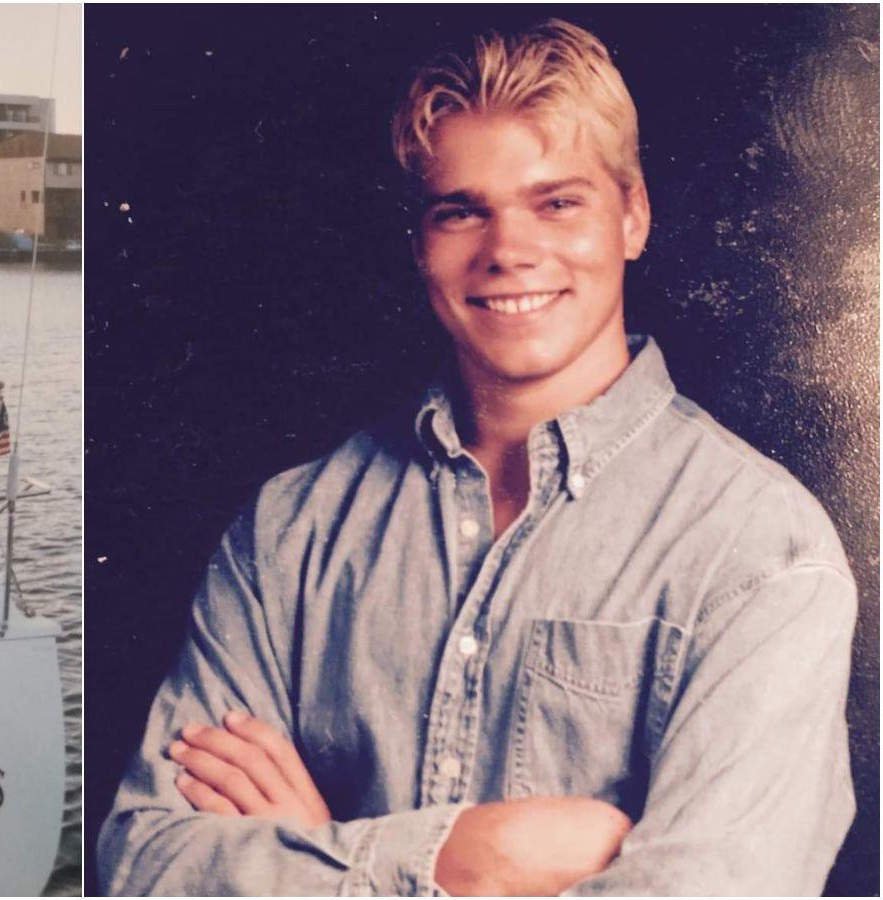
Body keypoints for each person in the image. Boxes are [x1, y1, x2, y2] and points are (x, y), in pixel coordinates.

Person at [97, 19, 856, 896]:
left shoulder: (761, 554)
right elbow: (144, 865)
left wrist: (324, 848)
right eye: (462, 211)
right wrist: (466, 861)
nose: (508, 251)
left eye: (558, 202)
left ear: (633, 215)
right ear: (420, 240)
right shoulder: (290, 533)